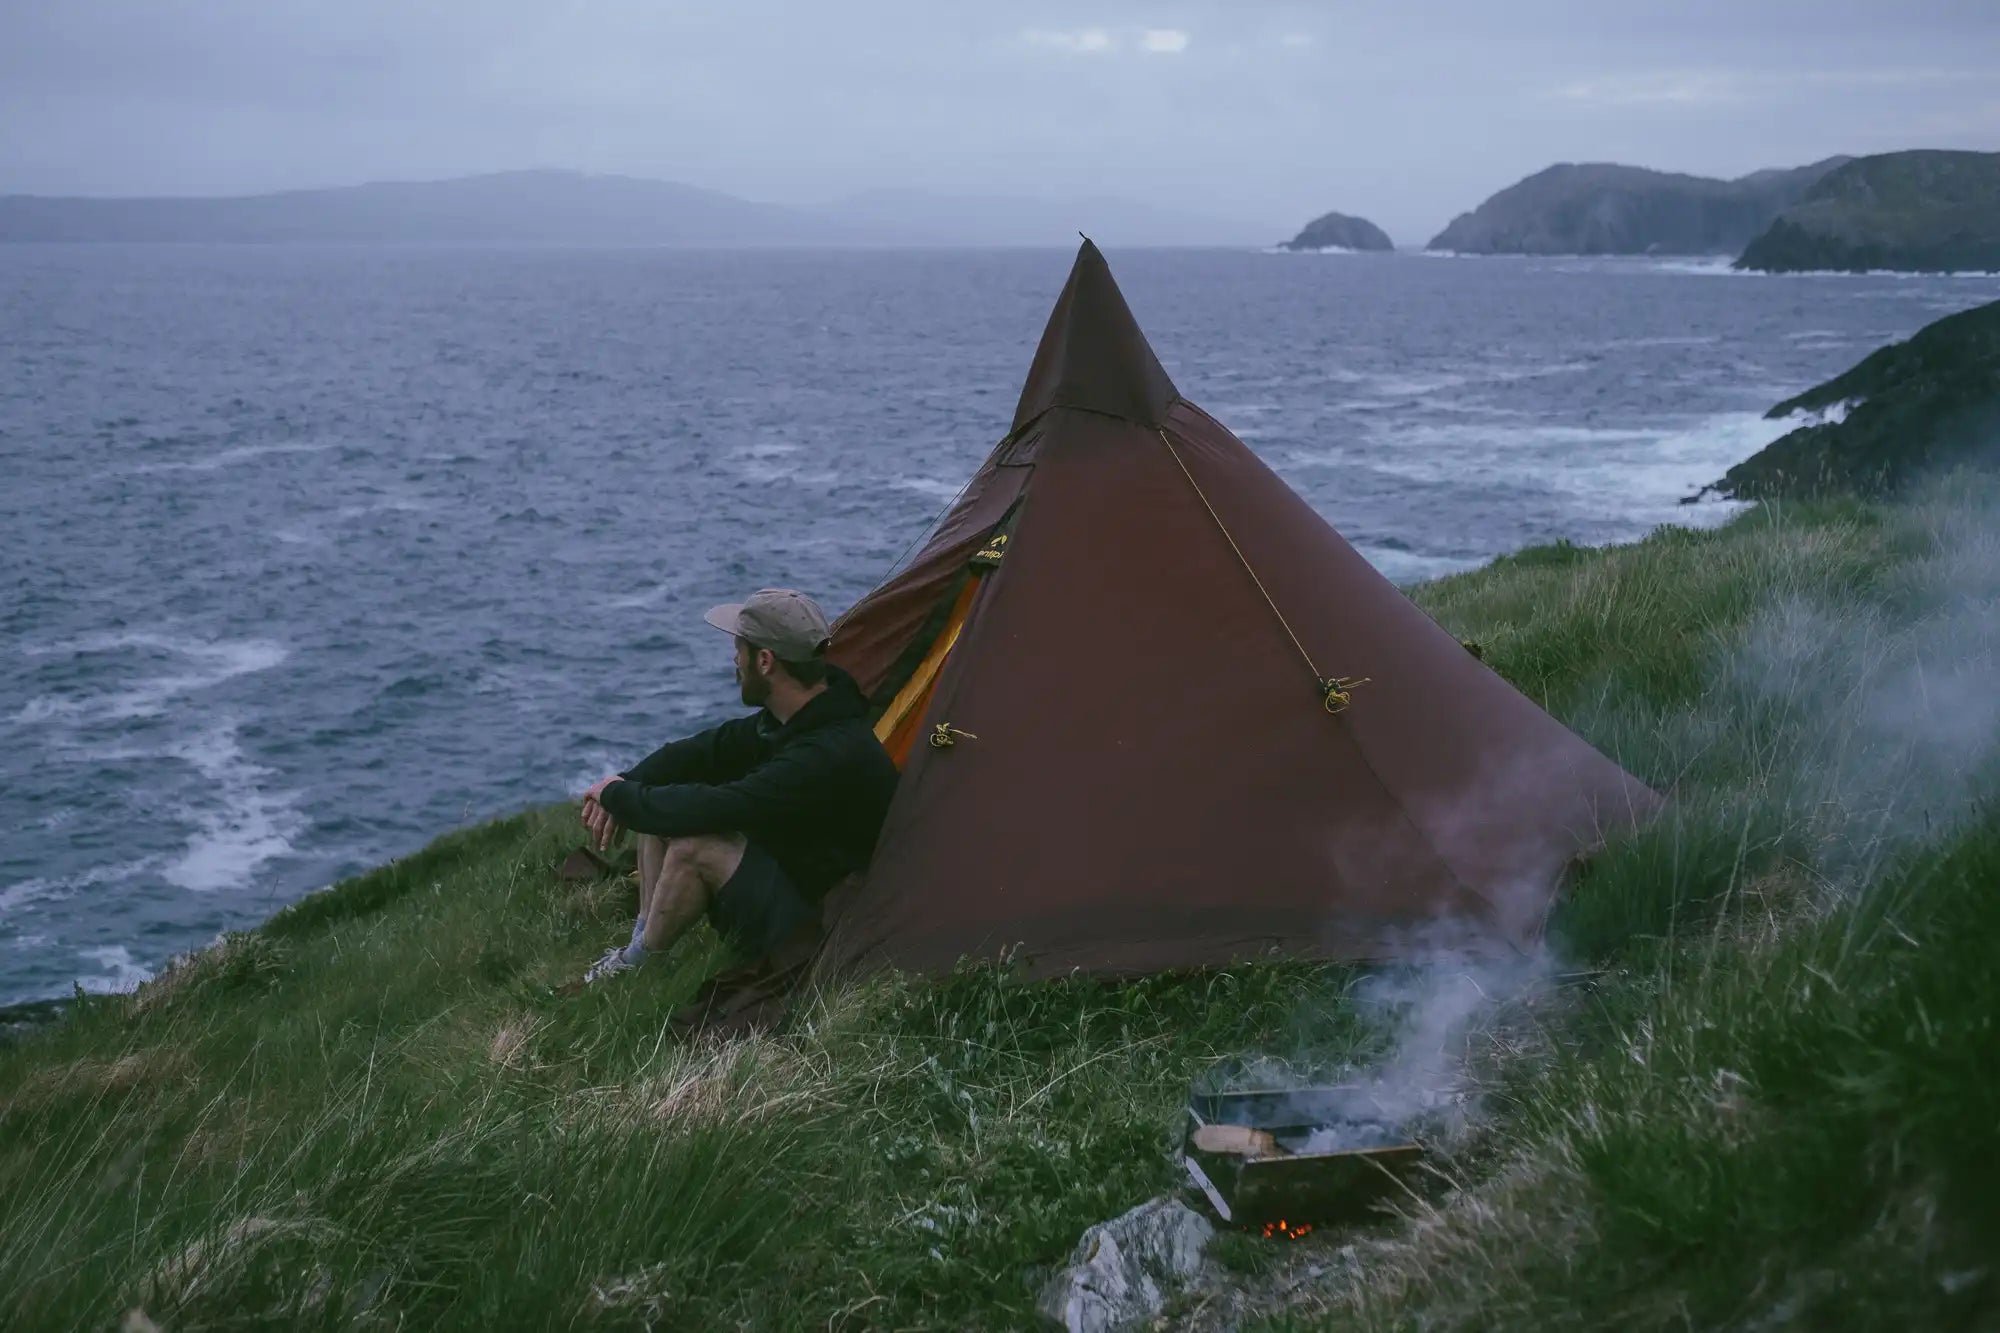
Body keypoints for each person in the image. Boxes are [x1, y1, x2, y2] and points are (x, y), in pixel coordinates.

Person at [577, 588, 899, 983]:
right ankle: (641, 942)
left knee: (694, 844)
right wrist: (623, 783)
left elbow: (725, 806)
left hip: (822, 927)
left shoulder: (825, 752)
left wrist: (619, 797)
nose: (734, 660)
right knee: (664, 803)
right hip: (794, 874)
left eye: (739, 650)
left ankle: (636, 971)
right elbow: (704, 751)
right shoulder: (798, 714)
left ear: (765, 661)